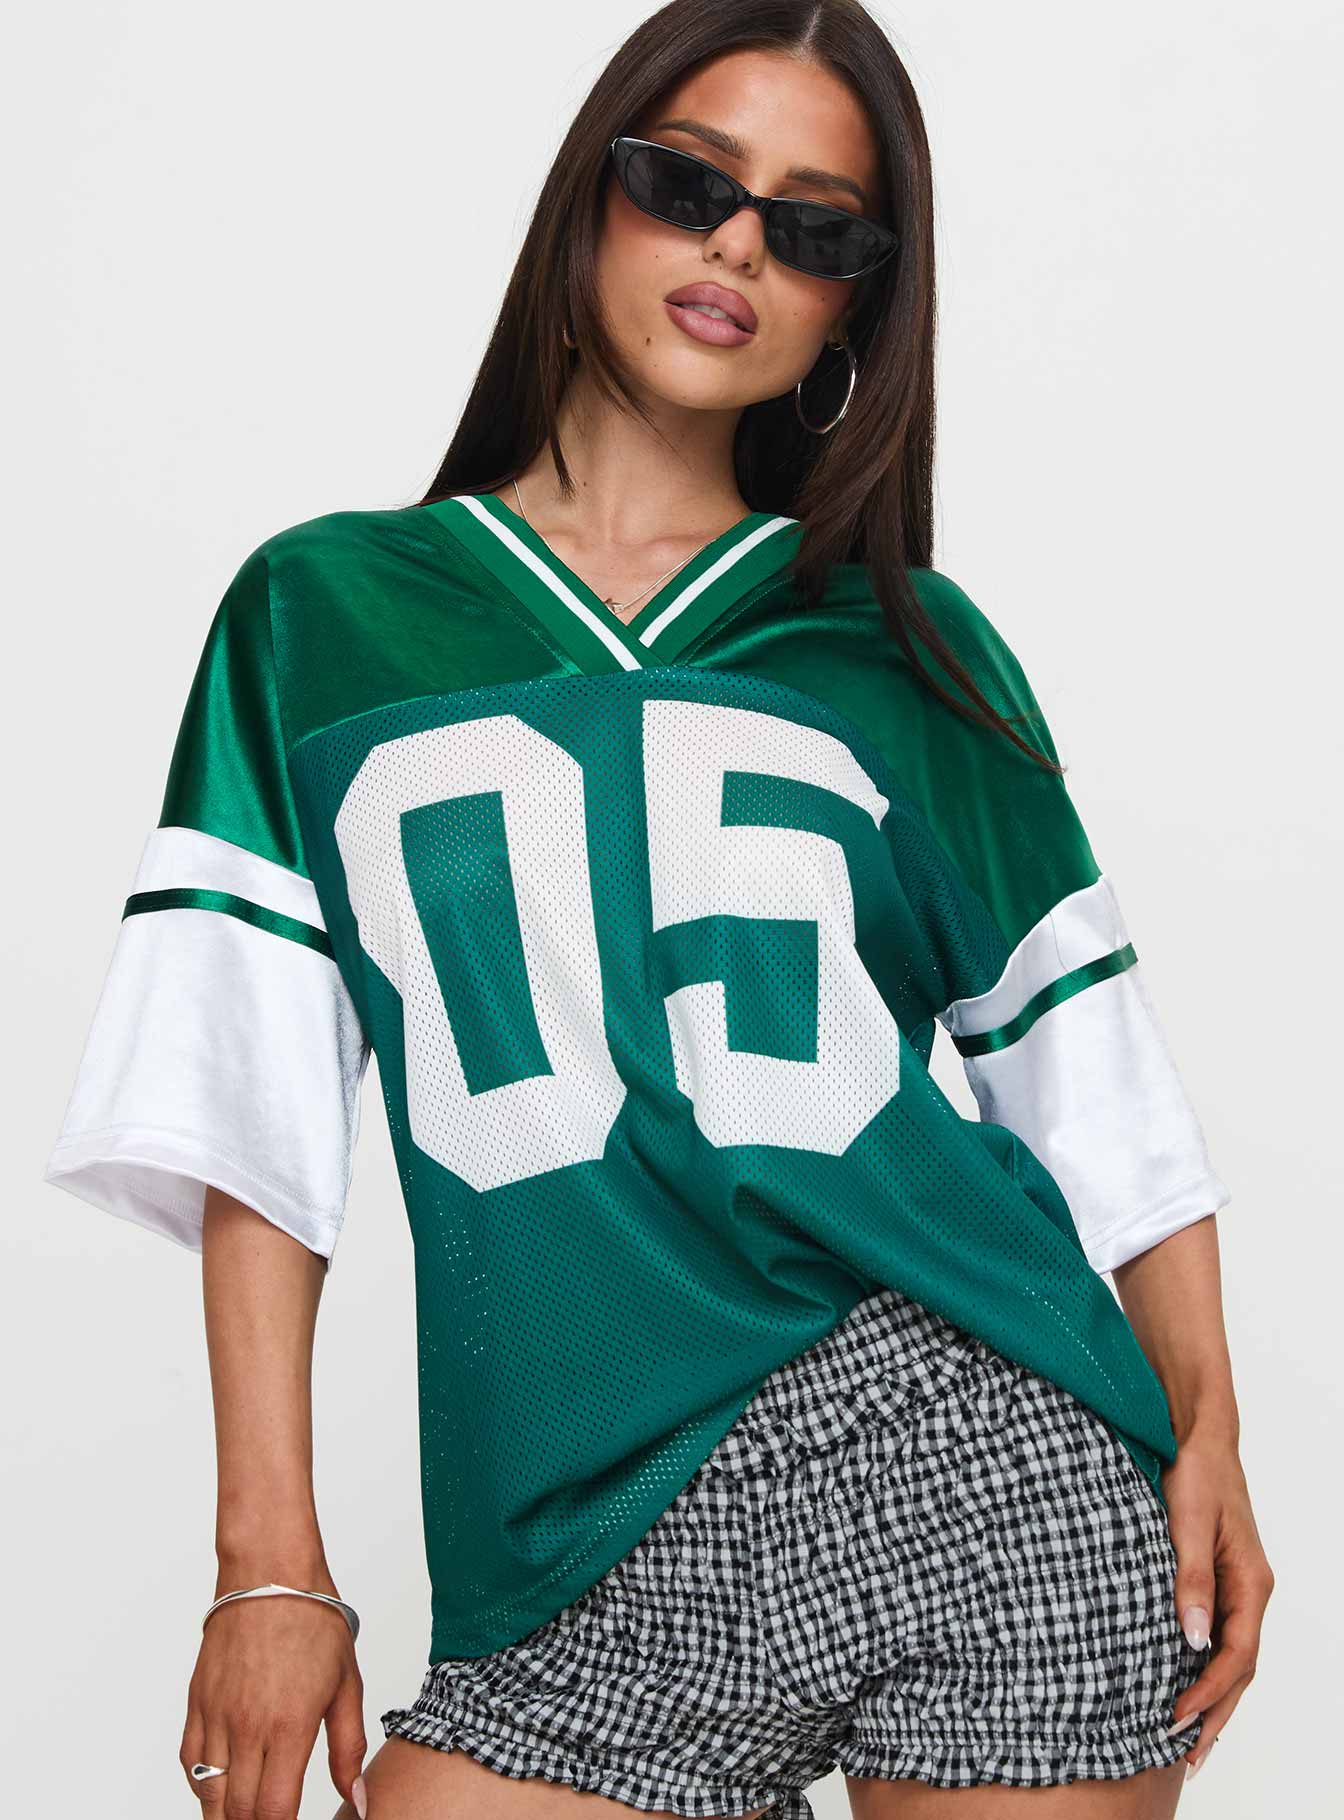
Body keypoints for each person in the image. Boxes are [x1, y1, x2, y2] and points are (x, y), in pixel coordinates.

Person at [42, 3, 1273, 1817]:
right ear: (589, 203)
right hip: (581, 1537)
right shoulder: (326, 617)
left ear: (852, 310)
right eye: (689, 183)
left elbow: (1089, 1076)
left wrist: (1210, 1430)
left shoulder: (903, 647)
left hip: (983, 1455)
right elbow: (248, 1108)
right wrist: (268, 1564)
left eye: (817, 226)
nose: (741, 246)